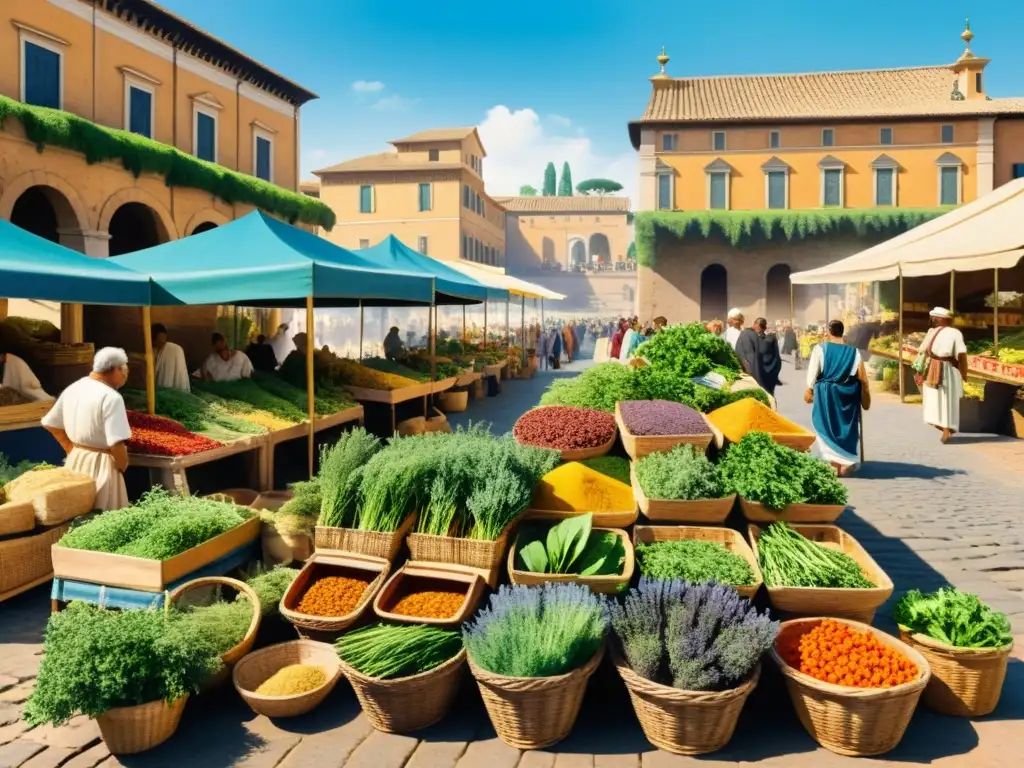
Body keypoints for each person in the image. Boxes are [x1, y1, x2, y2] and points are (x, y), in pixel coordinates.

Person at [41, 348, 132, 510]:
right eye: (124, 369)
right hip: (103, 465)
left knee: (76, 515)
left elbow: (51, 424)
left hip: (75, 460)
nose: (126, 375)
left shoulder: (73, 388)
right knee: (104, 518)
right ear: (115, 369)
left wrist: (72, 449)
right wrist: (122, 465)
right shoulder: (112, 398)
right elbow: (116, 442)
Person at [804, 320, 870, 474]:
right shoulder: (854, 352)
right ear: (842, 332)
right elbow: (862, 376)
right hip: (847, 394)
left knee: (826, 425)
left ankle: (833, 463)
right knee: (846, 426)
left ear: (829, 331)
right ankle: (846, 463)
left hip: (826, 394)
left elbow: (813, 372)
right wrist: (865, 394)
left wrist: (809, 389)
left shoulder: (821, 348)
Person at [916, 307, 968, 443]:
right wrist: (964, 373)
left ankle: (946, 429)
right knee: (942, 399)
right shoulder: (939, 332)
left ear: (941, 319)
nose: (933, 320)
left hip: (942, 368)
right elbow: (962, 355)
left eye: (935, 318)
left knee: (942, 399)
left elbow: (923, 350)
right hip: (940, 368)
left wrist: (963, 372)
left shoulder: (949, 333)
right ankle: (945, 428)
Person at [151, 323, 190, 391]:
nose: (161, 340)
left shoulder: (175, 349)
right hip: (179, 390)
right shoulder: (176, 348)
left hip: (167, 390)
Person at [754, 317, 783, 397]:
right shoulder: (771, 338)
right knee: (769, 396)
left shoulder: (754, 339)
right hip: (770, 374)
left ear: (758, 326)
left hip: (758, 373)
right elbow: (777, 357)